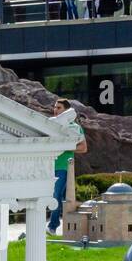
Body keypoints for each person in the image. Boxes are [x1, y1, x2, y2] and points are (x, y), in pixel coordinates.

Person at [48, 98, 86, 235]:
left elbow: (83, 148)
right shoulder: (50, 124)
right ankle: (67, 226)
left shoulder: (75, 128)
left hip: (63, 166)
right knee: (55, 196)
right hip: (47, 166)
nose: (55, 110)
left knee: (56, 195)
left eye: (59, 108)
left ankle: (53, 226)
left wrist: (66, 147)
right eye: (55, 107)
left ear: (67, 111)